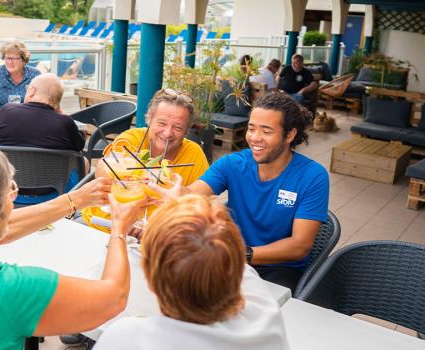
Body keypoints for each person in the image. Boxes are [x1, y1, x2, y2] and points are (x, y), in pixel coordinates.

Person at [0, 142, 144, 349]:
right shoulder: (7, 290)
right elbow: (113, 298)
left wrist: (75, 200)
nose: (14, 197)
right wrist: (119, 229)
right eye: (9, 193)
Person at [153, 93, 329, 290]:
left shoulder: (313, 176)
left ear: (289, 135)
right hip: (231, 259)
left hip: (279, 268)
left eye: (266, 131)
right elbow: (193, 193)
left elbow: (299, 246)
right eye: (251, 128)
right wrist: (172, 189)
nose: (255, 138)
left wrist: (242, 254)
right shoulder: (233, 164)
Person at [94, 195, 290, 350]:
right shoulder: (265, 314)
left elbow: (108, 294)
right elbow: (237, 265)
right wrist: (180, 213)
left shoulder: (127, 338)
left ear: (151, 282)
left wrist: (118, 230)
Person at [81, 88, 209, 229]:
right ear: (149, 119)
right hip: (104, 225)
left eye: (177, 128)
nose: (167, 133)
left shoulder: (194, 153)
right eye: (161, 123)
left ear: (186, 131)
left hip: (158, 236)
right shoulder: (132, 139)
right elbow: (103, 168)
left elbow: (201, 204)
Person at [0, 73, 84, 152]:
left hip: (8, 175)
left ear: (32, 91)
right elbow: (80, 146)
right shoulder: (65, 122)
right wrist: (61, 113)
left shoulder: (7, 111)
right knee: (84, 161)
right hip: (51, 176)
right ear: (58, 101)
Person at [0, 41, 41, 116]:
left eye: (14, 59)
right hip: (2, 118)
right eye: (7, 58)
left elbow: (41, 100)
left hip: (28, 117)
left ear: (24, 60)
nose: (10, 62)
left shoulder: (35, 75)